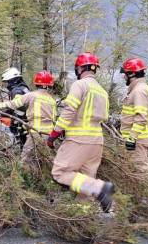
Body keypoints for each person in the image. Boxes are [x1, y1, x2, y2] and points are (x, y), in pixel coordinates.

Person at [46, 53, 115, 212]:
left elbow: (70, 110)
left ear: (79, 68)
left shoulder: (80, 85)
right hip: (97, 140)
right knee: (86, 183)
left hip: (79, 139)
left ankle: (100, 188)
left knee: (60, 173)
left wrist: (55, 132)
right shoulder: (102, 91)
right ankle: (82, 218)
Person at [0, 70, 57, 173]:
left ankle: (23, 179)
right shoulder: (52, 100)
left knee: (25, 158)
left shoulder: (32, 96)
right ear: (49, 85)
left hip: (36, 133)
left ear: (36, 83)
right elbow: (54, 117)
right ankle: (51, 175)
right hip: (49, 134)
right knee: (46, 157)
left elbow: (13, 104)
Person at [119, 58, 148, 173]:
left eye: (125, 74)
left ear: (131, 74)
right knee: (135, 169)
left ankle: (145, 191)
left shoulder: (139, 91)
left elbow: (141, 118)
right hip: (138, 138)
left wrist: (132, 137)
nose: (123, 77)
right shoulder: (142, 89)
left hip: (138, 139)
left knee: (140, 170)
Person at [0, 67, 30, 147]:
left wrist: (4, 113)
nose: (7, 84)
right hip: (27, 120)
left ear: (12, 80)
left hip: (23, 121)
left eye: (7, 82)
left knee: (23, 143)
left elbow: (18, 107)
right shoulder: (24, 88)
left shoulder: (17, 91)